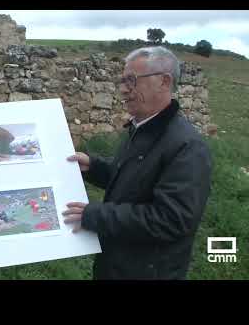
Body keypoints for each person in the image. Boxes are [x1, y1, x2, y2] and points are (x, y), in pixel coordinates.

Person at [62, 46, 212, 280]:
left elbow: (171, 219)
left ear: (164, 82)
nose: (123, 90)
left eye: (131, 81)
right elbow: (135, 177)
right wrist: (93, 166)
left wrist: (95, 215)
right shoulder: (141, 127)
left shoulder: (188, 147)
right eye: (122, 81)